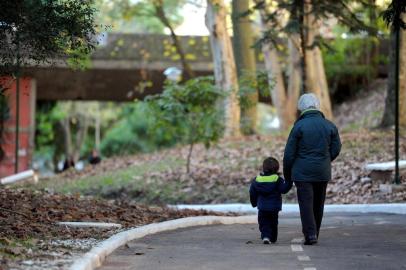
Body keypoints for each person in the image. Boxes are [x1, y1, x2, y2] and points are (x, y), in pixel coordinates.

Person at [283, 93, 341, 245]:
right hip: (322, 171)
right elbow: (336, 148)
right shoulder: (329, 126)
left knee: (306, 204)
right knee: (318, 203)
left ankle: (310, 234)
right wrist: (325, 160)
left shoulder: (298, 127)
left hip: (302, 173)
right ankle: (315, 233)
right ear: (317, 106)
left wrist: (288, 175)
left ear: (301, 108)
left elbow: (289, 154)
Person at [249, 157, 292, 244]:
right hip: (274, 207)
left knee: (263, 222)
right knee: (273, 222)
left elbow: (252, 192)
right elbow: (283, 190)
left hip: (262, 207)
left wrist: (254, 203)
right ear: (277, 168)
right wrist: (289, 182)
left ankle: (265, 236)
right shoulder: (277, 179)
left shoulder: (257, 180)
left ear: (263, 168)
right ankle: (273, 237)